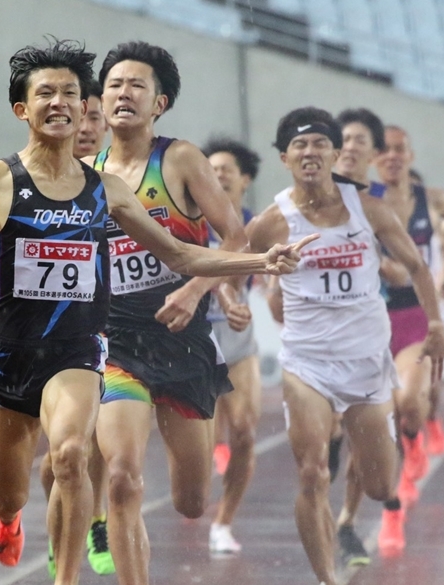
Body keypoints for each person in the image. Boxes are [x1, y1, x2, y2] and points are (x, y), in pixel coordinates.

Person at [0, 39, 311, 585]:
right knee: (10, 492)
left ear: (86, 108)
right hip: (11, 353)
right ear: (22, 109)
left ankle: (66, 579)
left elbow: (176, 252)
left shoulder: (105, 188)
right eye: (45, 94)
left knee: (72, 456)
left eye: (70, 94)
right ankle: (5, 515)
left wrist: (258, 260)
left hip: (78, 351)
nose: (59, 103)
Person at [244, 106, 444, 585]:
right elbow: (234, 260)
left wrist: (436, 325)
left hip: (365, 362)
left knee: (381, 486)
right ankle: (325, 578)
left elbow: (417, 267)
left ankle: (378, 465)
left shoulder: (369, 209)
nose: (310, 152)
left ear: (337, 154)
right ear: (284, 158)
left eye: (320, 143)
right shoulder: (275, 221)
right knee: (313, 472)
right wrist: (240, 293)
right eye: (299, 145)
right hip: (307, 363)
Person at [90, 41, 255, 585]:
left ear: (160, 102)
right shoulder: (86, 171)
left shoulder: (179, 159)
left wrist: (195, 292)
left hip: (184, 344)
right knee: (121, 478)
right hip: (118, 345)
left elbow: (235, 236)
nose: (123, 93)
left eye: (137, 84)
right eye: (114, 84)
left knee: (190, 501)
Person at [36, 77, 115, 578]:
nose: (86, 128)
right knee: (61, 459)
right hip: (41, 337)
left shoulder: (117, 180)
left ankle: (97, 521)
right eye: (79, 118)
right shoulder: (40, 177)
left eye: (94, 119)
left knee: (95, 445)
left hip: (105, 329)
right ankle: (60, 528)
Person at [372, 125, 444, 510]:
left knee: (410, 400)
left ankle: (415, 434)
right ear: (374, 159)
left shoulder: (434, 199)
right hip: (375, 317)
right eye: (386, 151)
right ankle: (410, 446)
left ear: (410, 156)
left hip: (417, 315)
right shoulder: (362, 201)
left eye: (400, 150)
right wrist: (380, 264)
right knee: (387, 412)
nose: (393, 156)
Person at [201, 137, 263, 554]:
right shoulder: (187, 219)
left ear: (245, 179)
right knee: (199, 451)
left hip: (237, 333)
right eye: (212, 167)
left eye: (227, 169)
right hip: (193, 335)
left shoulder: (257, 226)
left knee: (245, 430)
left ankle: (224, 522)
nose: (219, 173)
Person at [331, 107, 386, 567]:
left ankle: (347, 521)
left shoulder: (379, 205)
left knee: (362, 449)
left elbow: (414, 267)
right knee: (319, 446)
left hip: (366, 338)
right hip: (310, 342)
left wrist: (389, 268)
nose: (349, 147)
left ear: (374, 153)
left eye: (359, 140)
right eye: (342, 138)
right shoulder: (294, 201)